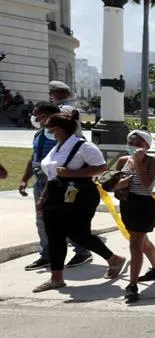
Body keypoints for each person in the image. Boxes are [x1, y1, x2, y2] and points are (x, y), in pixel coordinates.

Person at [32, 113, 127, 293]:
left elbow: (101, 168)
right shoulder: (58, 147)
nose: (49, 130)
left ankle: (113, 258)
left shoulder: (84, 146)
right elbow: (52, 174)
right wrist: (43, 198)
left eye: (51, 127)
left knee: (78, 233)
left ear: (61, 128)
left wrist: (70, 174)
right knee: (54, 236)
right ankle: (57, 278)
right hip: (55, 194)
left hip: (79, 195)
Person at [18, 101, 92, 270]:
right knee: (42, 220)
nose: (36, 119)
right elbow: (34, 158)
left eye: (40, 116)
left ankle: (82, 251)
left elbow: (87, 162)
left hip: (63, 185)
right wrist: (24, 179)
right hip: (41, 183)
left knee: (70, 220)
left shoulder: (70, 136)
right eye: (35, 115)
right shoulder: (39, 135)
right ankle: (47, 255)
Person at [112, 130, 155, 303]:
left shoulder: (154, 162)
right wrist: (119, 184)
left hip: (143, 207)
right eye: (130, 142)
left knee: (135, 244)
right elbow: (113, 183)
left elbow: (145, 185)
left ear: (146, 145)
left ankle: (132, 284)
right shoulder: (123, 160)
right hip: (127, 204)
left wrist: (137, 163)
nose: (133, 147)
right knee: (142, 241)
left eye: (138, 143)